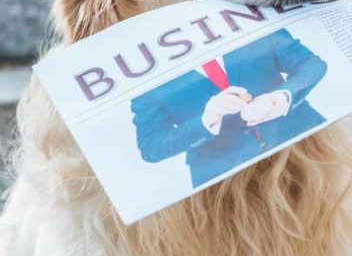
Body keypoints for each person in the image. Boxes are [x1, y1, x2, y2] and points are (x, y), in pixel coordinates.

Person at [130, 28, 327, 187]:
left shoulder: (246, 21)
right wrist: (205, 121)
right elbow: (151, 147)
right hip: (225, 181)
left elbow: (309, 63)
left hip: (309, 145)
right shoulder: (143, 74)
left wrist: (282, 96)